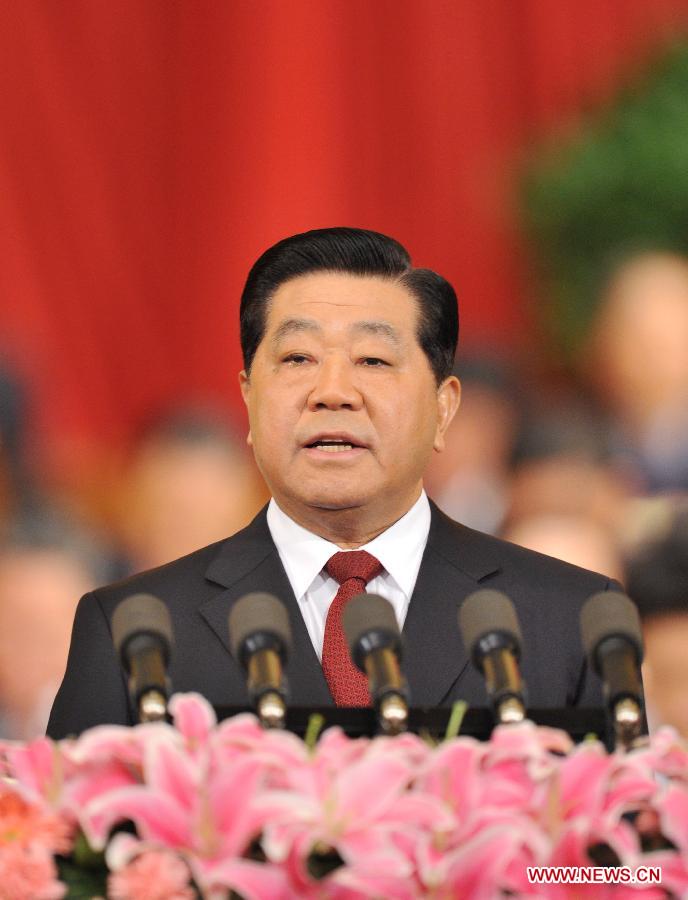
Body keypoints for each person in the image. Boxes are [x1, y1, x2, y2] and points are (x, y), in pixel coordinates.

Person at [48, 228, 619, 738]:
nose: (333, 391)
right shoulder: (135, 630)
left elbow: (607, 861)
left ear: (444, 409)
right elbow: (78, 852)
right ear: (248, 397)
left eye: (372, 360)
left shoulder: (568, 616)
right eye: (297, 358)